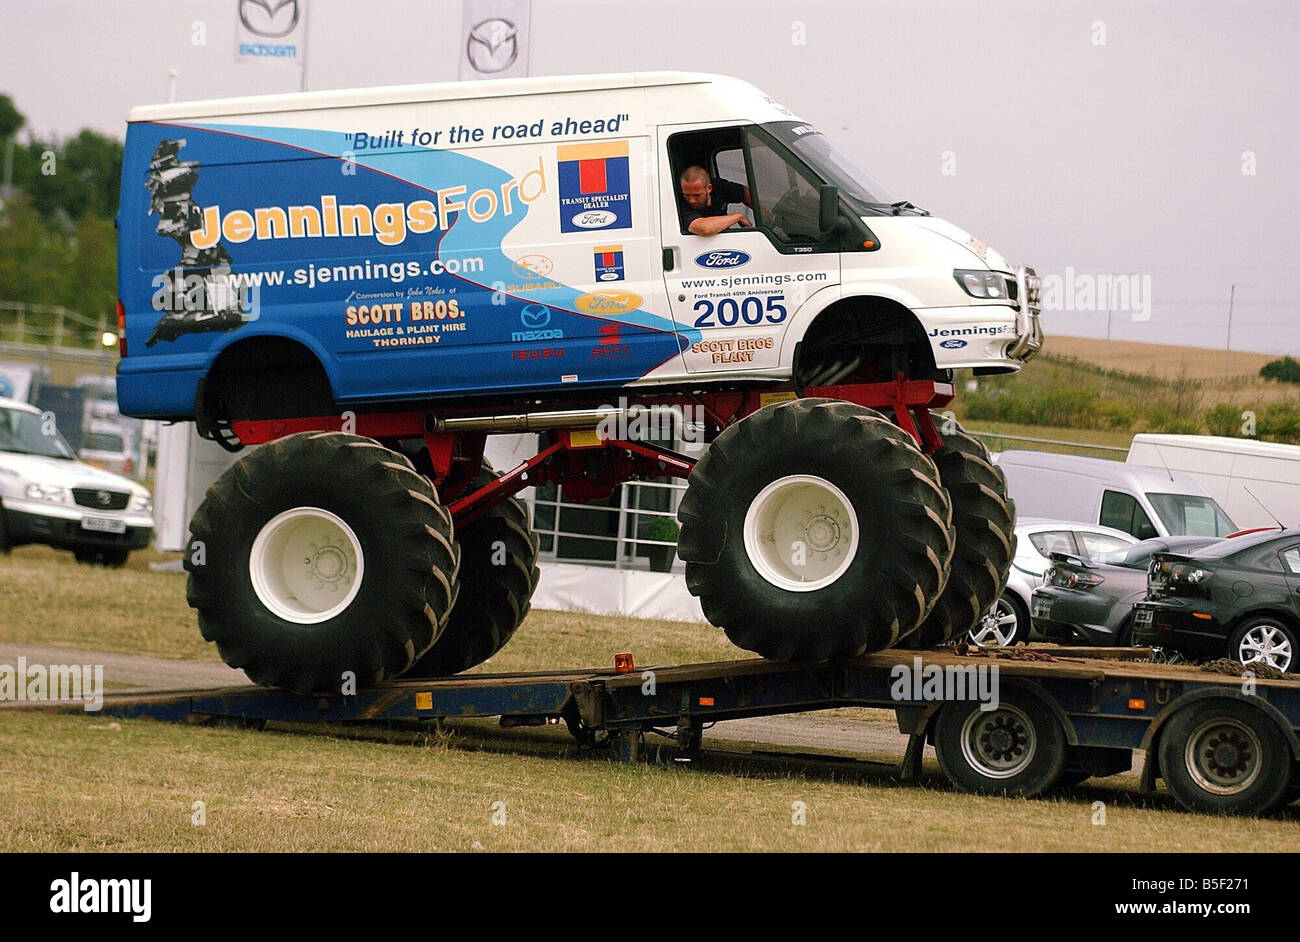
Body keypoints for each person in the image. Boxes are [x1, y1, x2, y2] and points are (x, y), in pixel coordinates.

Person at [679, 166, 752, 236]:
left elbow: (746, 194)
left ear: (709, 188)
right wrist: (739, 216)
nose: (692, 201)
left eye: (697, 195)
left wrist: (762, 214)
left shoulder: (720, 187)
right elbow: (704, 229)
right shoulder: (680, 204)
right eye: (687, 195)